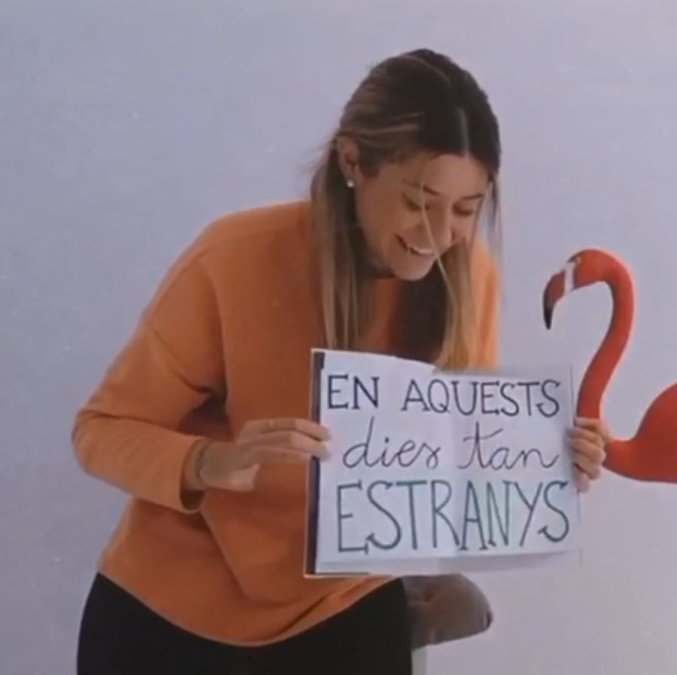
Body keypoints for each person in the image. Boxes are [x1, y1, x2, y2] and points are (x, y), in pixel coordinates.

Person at [71, 48, 611, 675]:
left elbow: (459, 462)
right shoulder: (232, 260)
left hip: (343, 606)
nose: (441, 233)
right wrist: (209, 462)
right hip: (168, 608)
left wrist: (549, 464)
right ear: (353, 162)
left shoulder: (472, 282)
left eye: (466, 209)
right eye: (419, 201)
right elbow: (101, 431)